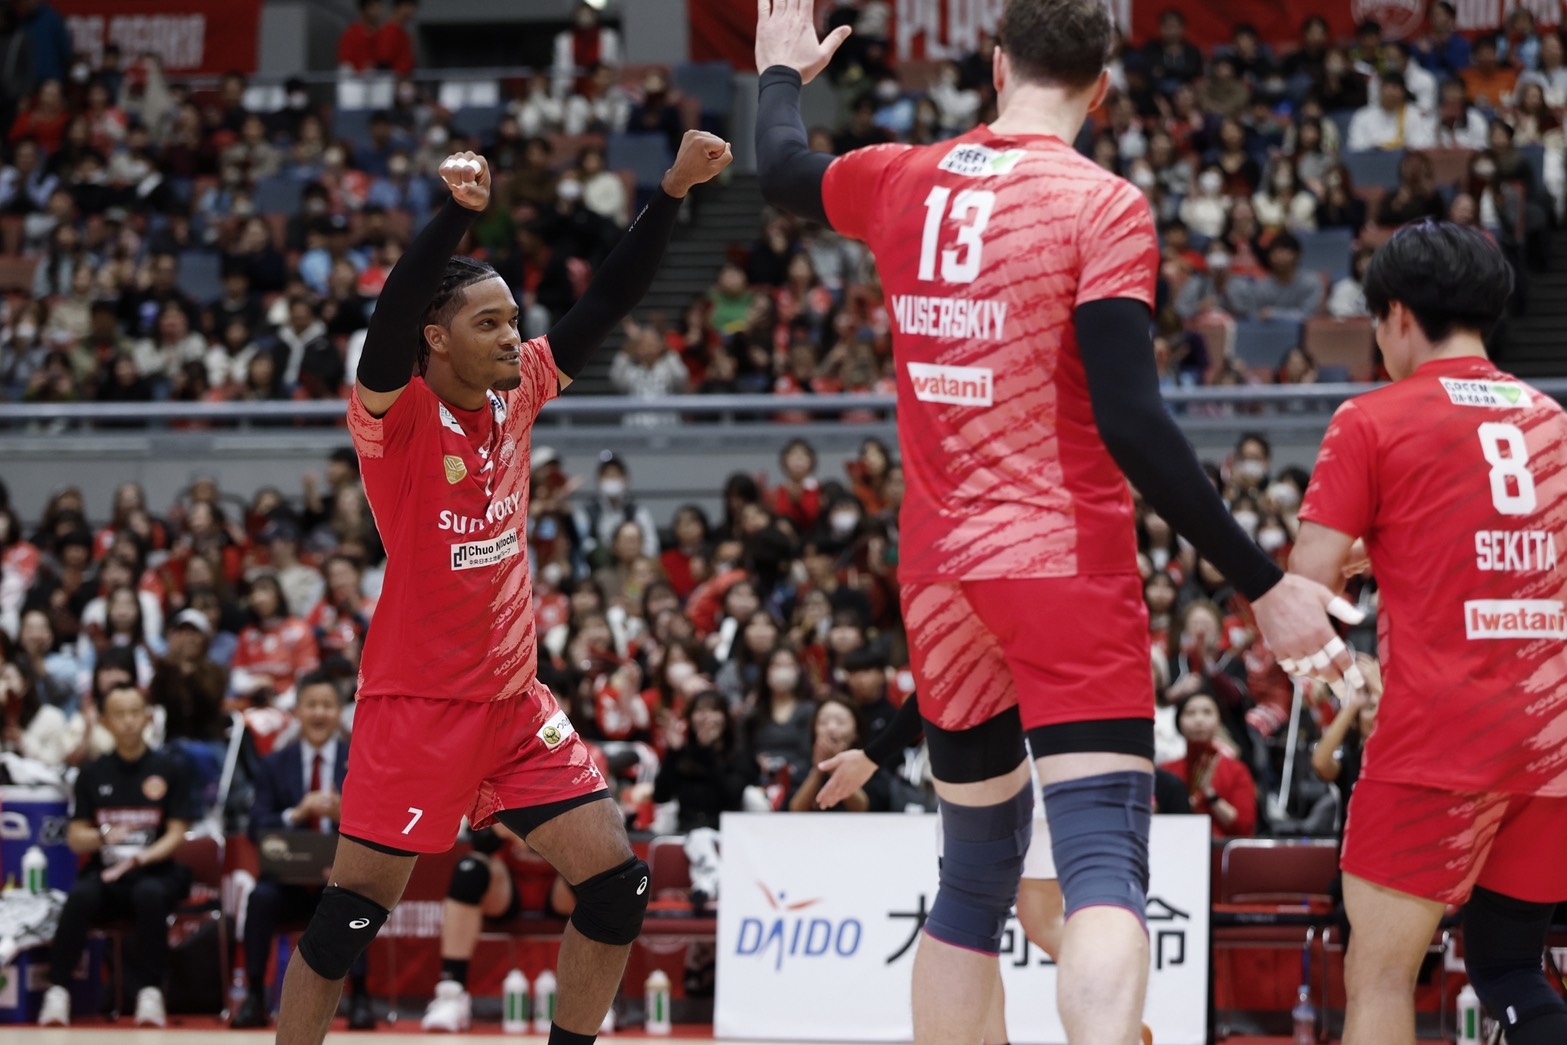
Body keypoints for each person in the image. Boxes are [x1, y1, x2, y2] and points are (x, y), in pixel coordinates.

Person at [754, 2, 1360, 1042]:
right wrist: (1262, 584)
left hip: (939, 572)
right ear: (1102, 89)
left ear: (996, 67)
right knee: (1100, 867)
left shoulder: (904, 175)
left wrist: (777, 74)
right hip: (1060, 562)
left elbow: (778, 170)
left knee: (970, 881)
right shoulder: (1101, 204)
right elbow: (1132, 420)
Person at [273, 133, 730, 1045]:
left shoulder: (518, 394)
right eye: (488, 323)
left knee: (617, 883)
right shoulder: (397, 420)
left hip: (514, 703)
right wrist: (456, 214)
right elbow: (387, 322)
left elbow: (607, 300)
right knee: (348, 917)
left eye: (513, 318)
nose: (512, 335)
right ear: (435, 339)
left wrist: (673, 191)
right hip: (417, 707)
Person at [1290, 221, 1567, 1045]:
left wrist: (1353, 560)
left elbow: (1306, 586)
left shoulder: (1370, 418)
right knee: (1509, 967)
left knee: (1379, 977)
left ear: (1397, 315)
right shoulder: (1551, 420)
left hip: (1437, 738)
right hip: (1549, 739)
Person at [38, 684, 198, 1028]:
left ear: (148, 717)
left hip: (155, 872)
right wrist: (103, 836)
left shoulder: (170, 768)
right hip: (107, 874)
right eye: (119, 714)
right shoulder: (92, 773)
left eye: (134, 712)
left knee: (149, 894)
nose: (128, 721)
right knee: (80, 896)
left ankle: (150, 993)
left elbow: (176, 833)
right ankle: (58, 990)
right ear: (105, 722)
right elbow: (76, 837)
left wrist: (142, 858)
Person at [232, 673, 370, 1030]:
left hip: (338, 880)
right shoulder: (275, 764)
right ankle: (254, 997)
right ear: (297, 712)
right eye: (311, 705)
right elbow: (256, 826)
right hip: (287, 882)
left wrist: (344, 815)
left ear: (339, 712)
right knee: (260, 898)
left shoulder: (359, 760)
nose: (319, 713)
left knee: (358, 899)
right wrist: (297, 813)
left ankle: (360, 998)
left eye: (327, 705)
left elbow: (379, 822)